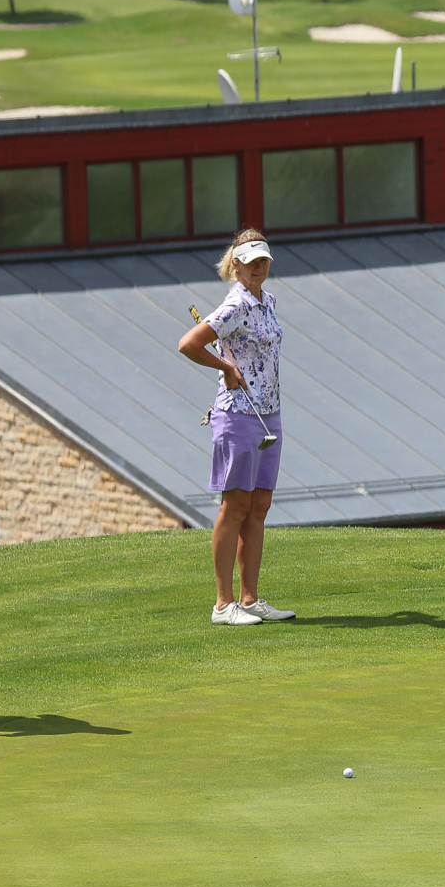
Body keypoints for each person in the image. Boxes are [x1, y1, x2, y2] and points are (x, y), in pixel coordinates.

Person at [177, 230, 297, 626]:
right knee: (236, 506)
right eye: (252, 263)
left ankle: (250, 599)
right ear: (237, 266)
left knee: (259, 507)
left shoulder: (268, 301)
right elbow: (189, 344)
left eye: (264, 261)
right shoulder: (235, 306)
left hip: (269, 413)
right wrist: (225, 368)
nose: (260, 268)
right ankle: (223, 605)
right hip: (238, 415)